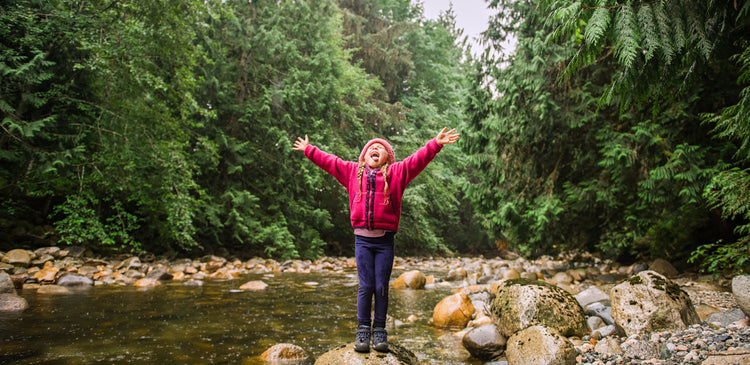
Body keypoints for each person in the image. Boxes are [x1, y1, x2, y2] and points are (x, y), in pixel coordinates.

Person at [292, 128, 460, 353]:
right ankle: (363, 329)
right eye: (371, 147)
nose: (375, 149)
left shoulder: (396, 173)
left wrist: (435, 144)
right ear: (364, 156)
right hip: (362, 241)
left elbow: (417, 160)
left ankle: (379, 329)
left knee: (381, 287)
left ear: (387, 158)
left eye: (381, 148)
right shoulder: (352, 172)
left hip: (384, 242)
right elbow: (330, 162)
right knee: (366, 286)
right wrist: (309, 150)